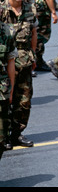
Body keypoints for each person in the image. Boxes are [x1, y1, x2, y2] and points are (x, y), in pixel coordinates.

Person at [1, 0, 35, 149]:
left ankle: (17, 133)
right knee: (6, 99)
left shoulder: (29, 9)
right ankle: (4, 136)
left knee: (24, 100)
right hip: (6, 61)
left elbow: (34, 33)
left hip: (25, 60)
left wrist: (33, 55)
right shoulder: (1, 10)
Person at [0, 17, 16, 161]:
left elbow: (11, 62)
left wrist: (11, 89)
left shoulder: (7, 31)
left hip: (1, 89)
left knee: (1, 138)